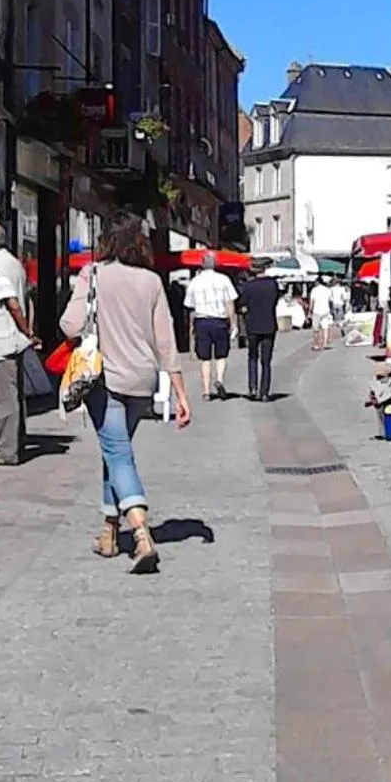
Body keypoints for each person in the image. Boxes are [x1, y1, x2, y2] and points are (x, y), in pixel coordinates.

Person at [61, 211, 191, 572]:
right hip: (143, 380)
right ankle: (108, 531)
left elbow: (70, 324)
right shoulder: (151, 281)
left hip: (106, 378)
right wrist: (180, 393)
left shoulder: (94, 274)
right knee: (114, 450)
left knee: (118, 455)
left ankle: (140, 533)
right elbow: (167, 341)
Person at [0, 220, 34, 465]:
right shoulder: (14, 263)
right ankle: (15, 443)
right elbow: (28, 299)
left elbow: (12, 303)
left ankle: (6, 450)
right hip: (15, 339)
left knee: (4, 398)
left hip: (4, 340)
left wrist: (26, 329)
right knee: (15, 396)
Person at [184, 254, 238, 402]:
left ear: (202, 265)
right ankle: (219, 379)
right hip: (219, 321)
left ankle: (206, 391)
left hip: (201, 321)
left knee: (204, 358)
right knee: (221, 355)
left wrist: (191, 327)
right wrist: (233, 322)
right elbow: (230, 303)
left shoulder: (194, 282)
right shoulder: (224, 279)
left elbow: (191, 307)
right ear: (215, 264)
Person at [237, 259, 281, 402]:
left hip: (253, 325)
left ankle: (253, 387)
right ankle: (264, 392)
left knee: (252, 357)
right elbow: (275, 301)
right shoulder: (273, 285)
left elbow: (242, 305)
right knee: (266, 361)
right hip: (269, 324)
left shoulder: (248, 286)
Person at [310, 279, 336, 351]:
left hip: (316, 311)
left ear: (317, 282)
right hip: (326, 310)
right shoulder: (327, 290)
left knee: (316, 328)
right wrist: (331, 310)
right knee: (325, 327)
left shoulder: (314, 290)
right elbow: (331, 301)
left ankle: (316, 345)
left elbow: (312, 302)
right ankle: (325, 343)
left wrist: (309, 312)